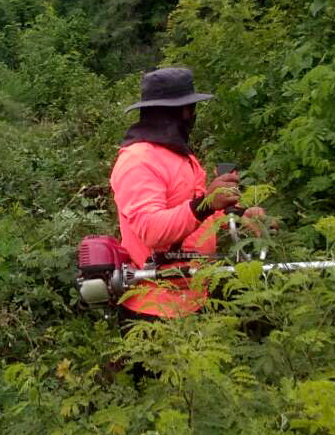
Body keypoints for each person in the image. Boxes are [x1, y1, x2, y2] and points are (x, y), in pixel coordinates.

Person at [109, 67, 264, 319]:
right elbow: (152, 230)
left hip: (193, 296)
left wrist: (237, 216)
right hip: (155, 308)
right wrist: (206, 204)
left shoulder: (179, 156)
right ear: (183, 111)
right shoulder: (139, 160)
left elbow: (195, 215)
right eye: (191, 108)